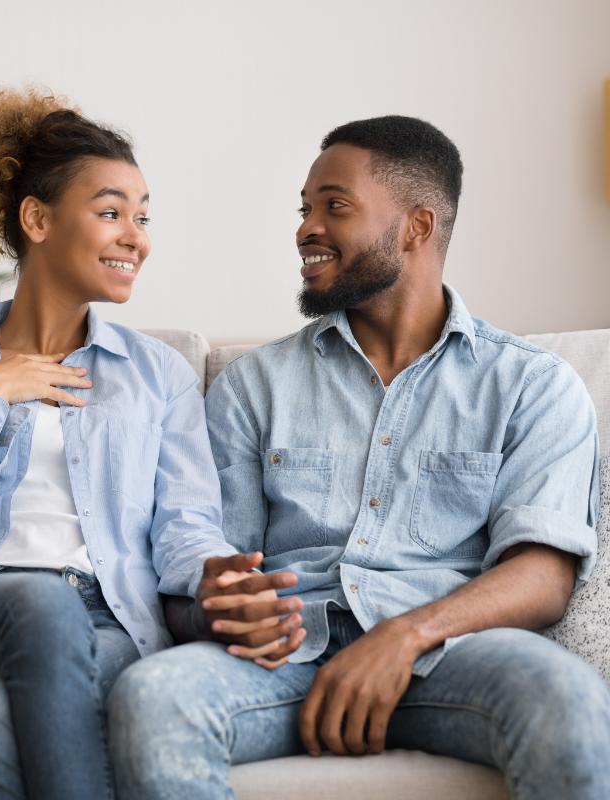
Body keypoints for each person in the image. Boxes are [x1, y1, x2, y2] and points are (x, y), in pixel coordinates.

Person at [108, 115, 609, 799]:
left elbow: (544, 573)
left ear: (417, 226)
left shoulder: (531, 385)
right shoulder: (255, 386)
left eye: (334, 207)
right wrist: (221, 602)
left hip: (452, 657)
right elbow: (198, 573)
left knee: (567, 698)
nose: (306, 228)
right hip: (285, 659)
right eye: (305, 209)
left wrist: (404, 637)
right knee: (153, 694)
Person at [0, 86, 303, 799]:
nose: (136, 237)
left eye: (142, 217)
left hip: (106, 618)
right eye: (111, 212)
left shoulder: (158, 375)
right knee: (38, 605)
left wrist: (220, 574)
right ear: (37, 219)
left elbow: (185, 526)